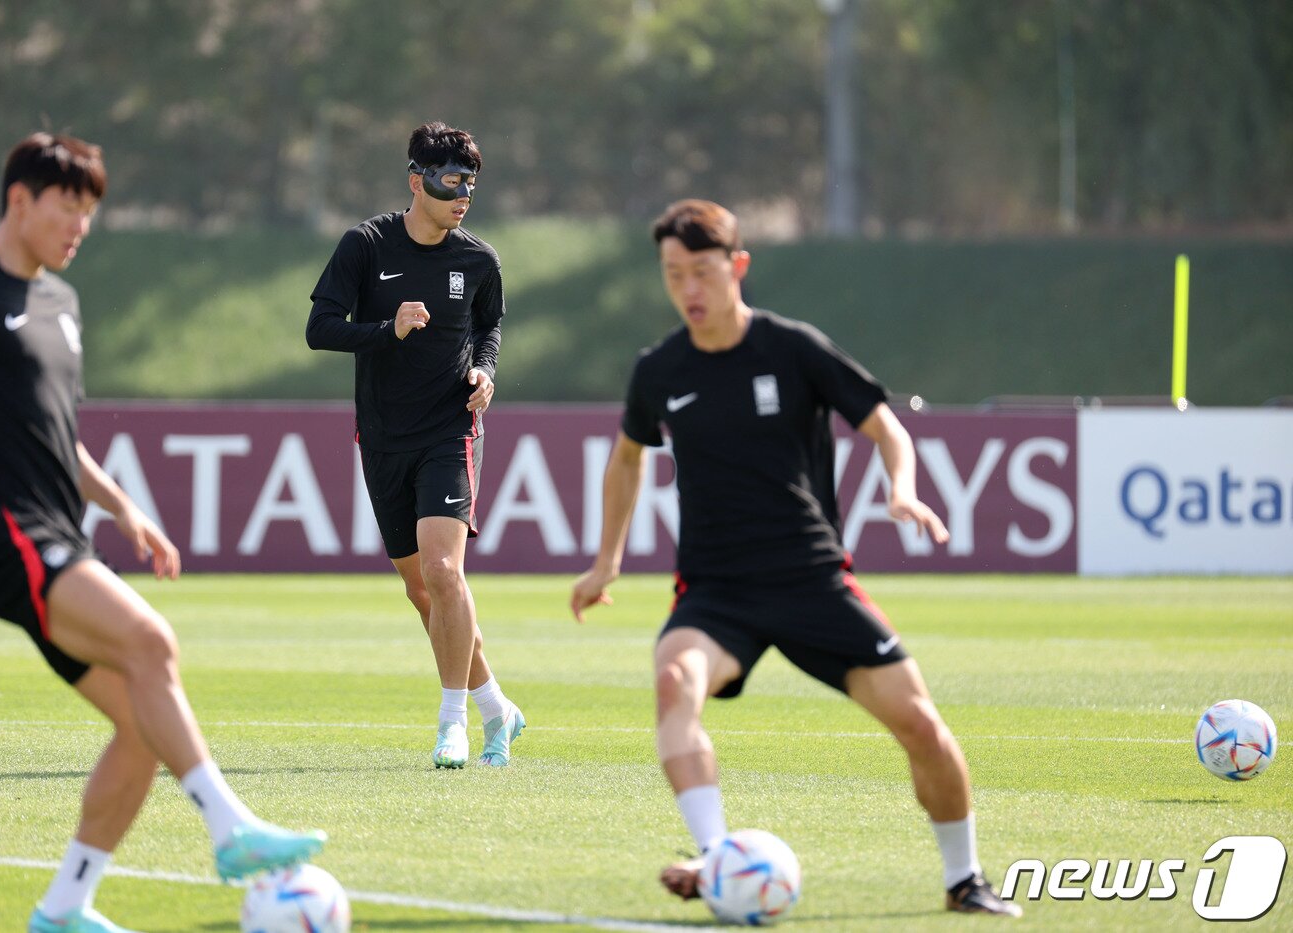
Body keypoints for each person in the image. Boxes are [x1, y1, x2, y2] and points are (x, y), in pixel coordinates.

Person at [0, 133, 326, 933]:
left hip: (63, 534)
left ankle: (64, 908)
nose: (81, 226)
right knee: (154, 641)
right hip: (5, 539)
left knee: (139, 723)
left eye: (90, 211)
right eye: (69, 206)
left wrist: (124, 506)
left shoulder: (62, 304)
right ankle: (231, 829)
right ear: (19, 199)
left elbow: (60, 435)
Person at [570, 199, 1020, 917]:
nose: (688, 289)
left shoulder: (793, 347)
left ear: (738, 267)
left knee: (922, 726)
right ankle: (718, 858)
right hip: (716, 592)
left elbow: (886, 428)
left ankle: (965, 878)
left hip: (812, 579)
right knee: (673, 679)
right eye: (672, 274)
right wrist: (606, 561)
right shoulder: (660, 369)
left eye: (702, 272)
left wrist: (901, 490)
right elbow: (626, 459)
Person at [306, 122, 523, 769]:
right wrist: (386, 329)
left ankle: (452, 723)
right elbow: (320, 328)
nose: (461, 195)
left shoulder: (479, 260)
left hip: (449, 431)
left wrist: (486, 369)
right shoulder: (365, 246)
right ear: (415, 180)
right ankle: (497, 710)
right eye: (449, 180)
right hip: (382, 436)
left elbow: (489, 325)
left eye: (470, 184)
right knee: (423, 590)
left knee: (443, 569)